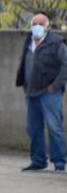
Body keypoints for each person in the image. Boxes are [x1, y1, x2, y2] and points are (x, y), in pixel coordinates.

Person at [17, 12, 67, 172]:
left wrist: (55, 85)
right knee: (33, 128)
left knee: (54, 127)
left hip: (49, 92)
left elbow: (65, 65)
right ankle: (38, 161)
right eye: (34, 24)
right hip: (32, 92)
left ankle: (60, 163)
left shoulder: (57, 43)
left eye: (41, 24)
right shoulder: (29, 41)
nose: (37, 27)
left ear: (47, 27)